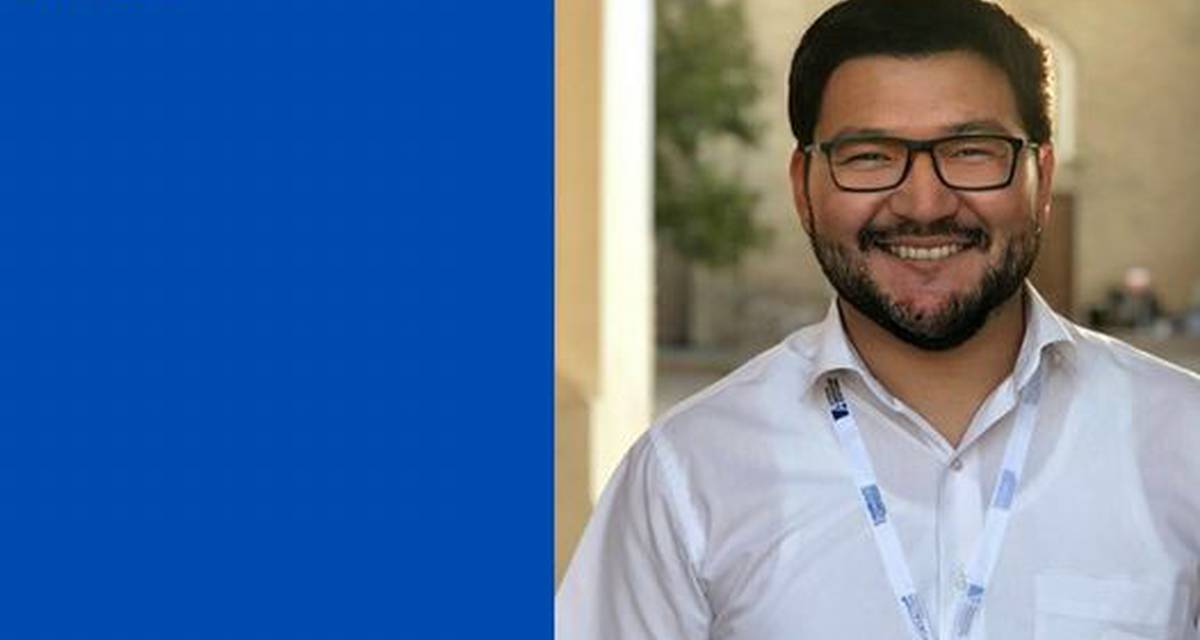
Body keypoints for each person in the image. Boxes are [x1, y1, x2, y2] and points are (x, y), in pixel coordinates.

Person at [556, 0, 1200, 637]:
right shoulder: (687, 474)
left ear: (1043, 176)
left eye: (971, 151)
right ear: (803, 186)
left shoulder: (1182, 443)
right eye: (869, 156)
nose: (924, 203)